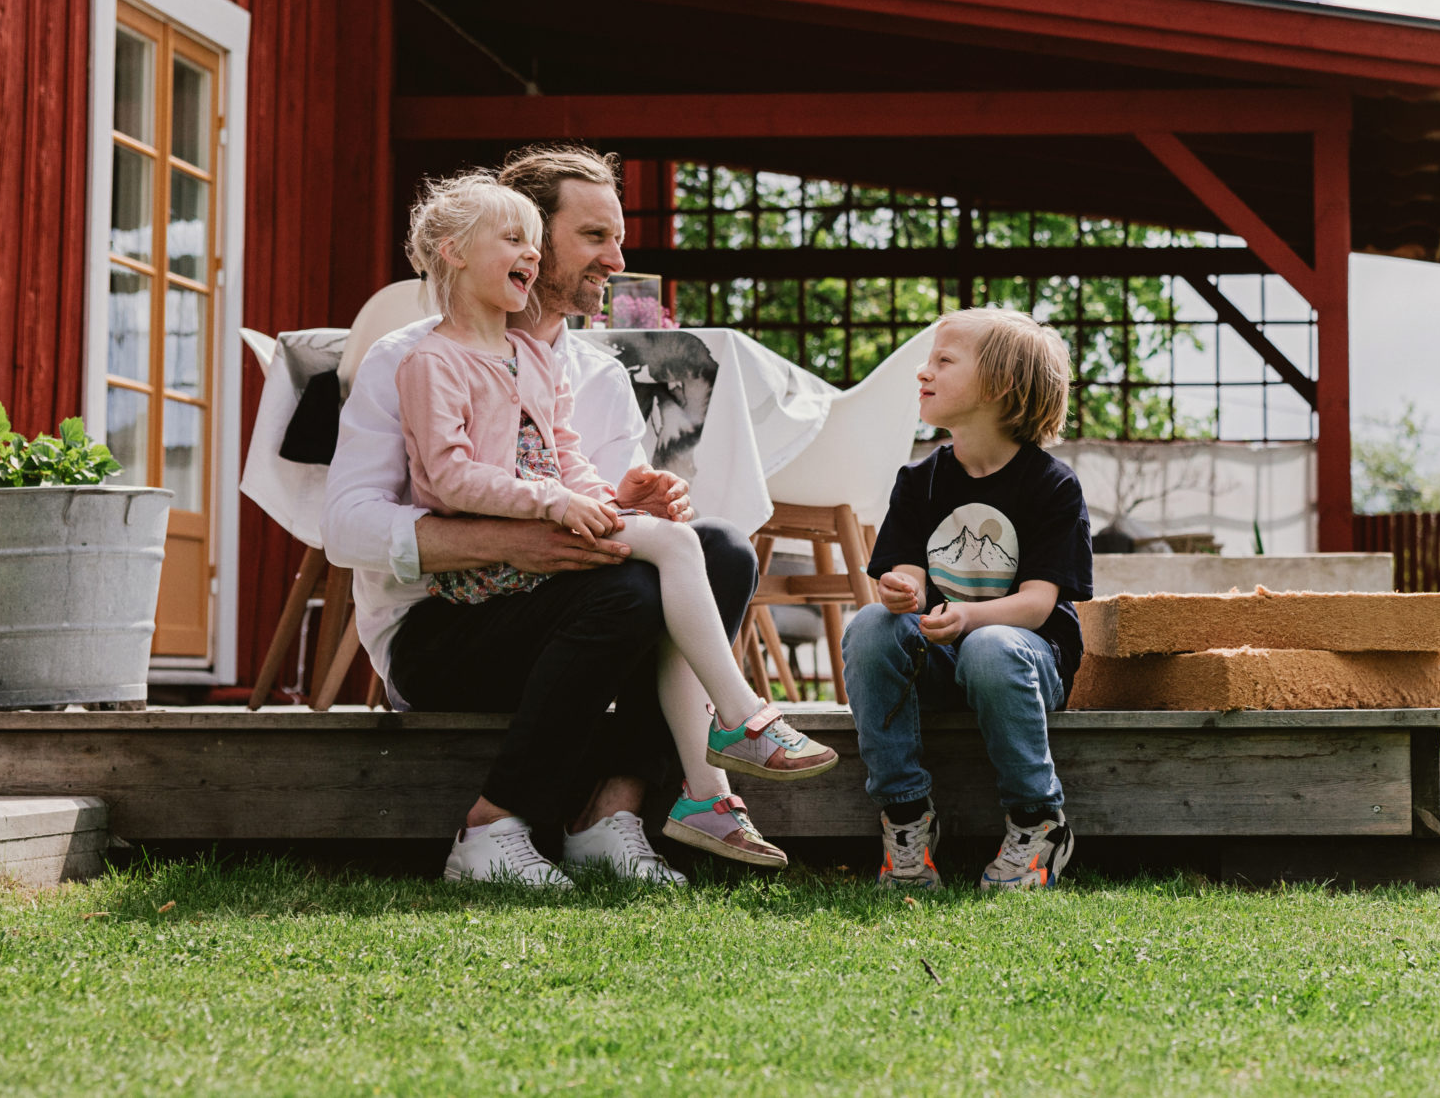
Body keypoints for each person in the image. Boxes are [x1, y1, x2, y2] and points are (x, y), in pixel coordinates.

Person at [323, 144, 790, 888]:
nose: (617, 259)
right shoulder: (410, 358)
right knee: (630, 591)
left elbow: (592, 511)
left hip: (573, 621)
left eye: (618, 238)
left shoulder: (597, 374)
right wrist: (511, 541)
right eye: (595, 236)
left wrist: (633, 500)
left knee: (721, 550)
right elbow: (346, 527)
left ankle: (610, 815)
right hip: (440, 634)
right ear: (530, 238)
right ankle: (491, 825)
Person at [841, 309, 1093, 891]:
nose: (923, 372)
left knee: (991, 646)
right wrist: (901, 590)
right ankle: (906, 815)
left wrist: (968, 618)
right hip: (941, 661)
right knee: (872, 626)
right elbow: (907, 576)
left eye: (944, 361)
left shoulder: (1052, 485)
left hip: (1023, 667)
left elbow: (1037, 605)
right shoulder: (918, 481)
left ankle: (1037, 819)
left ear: (1000, 385)